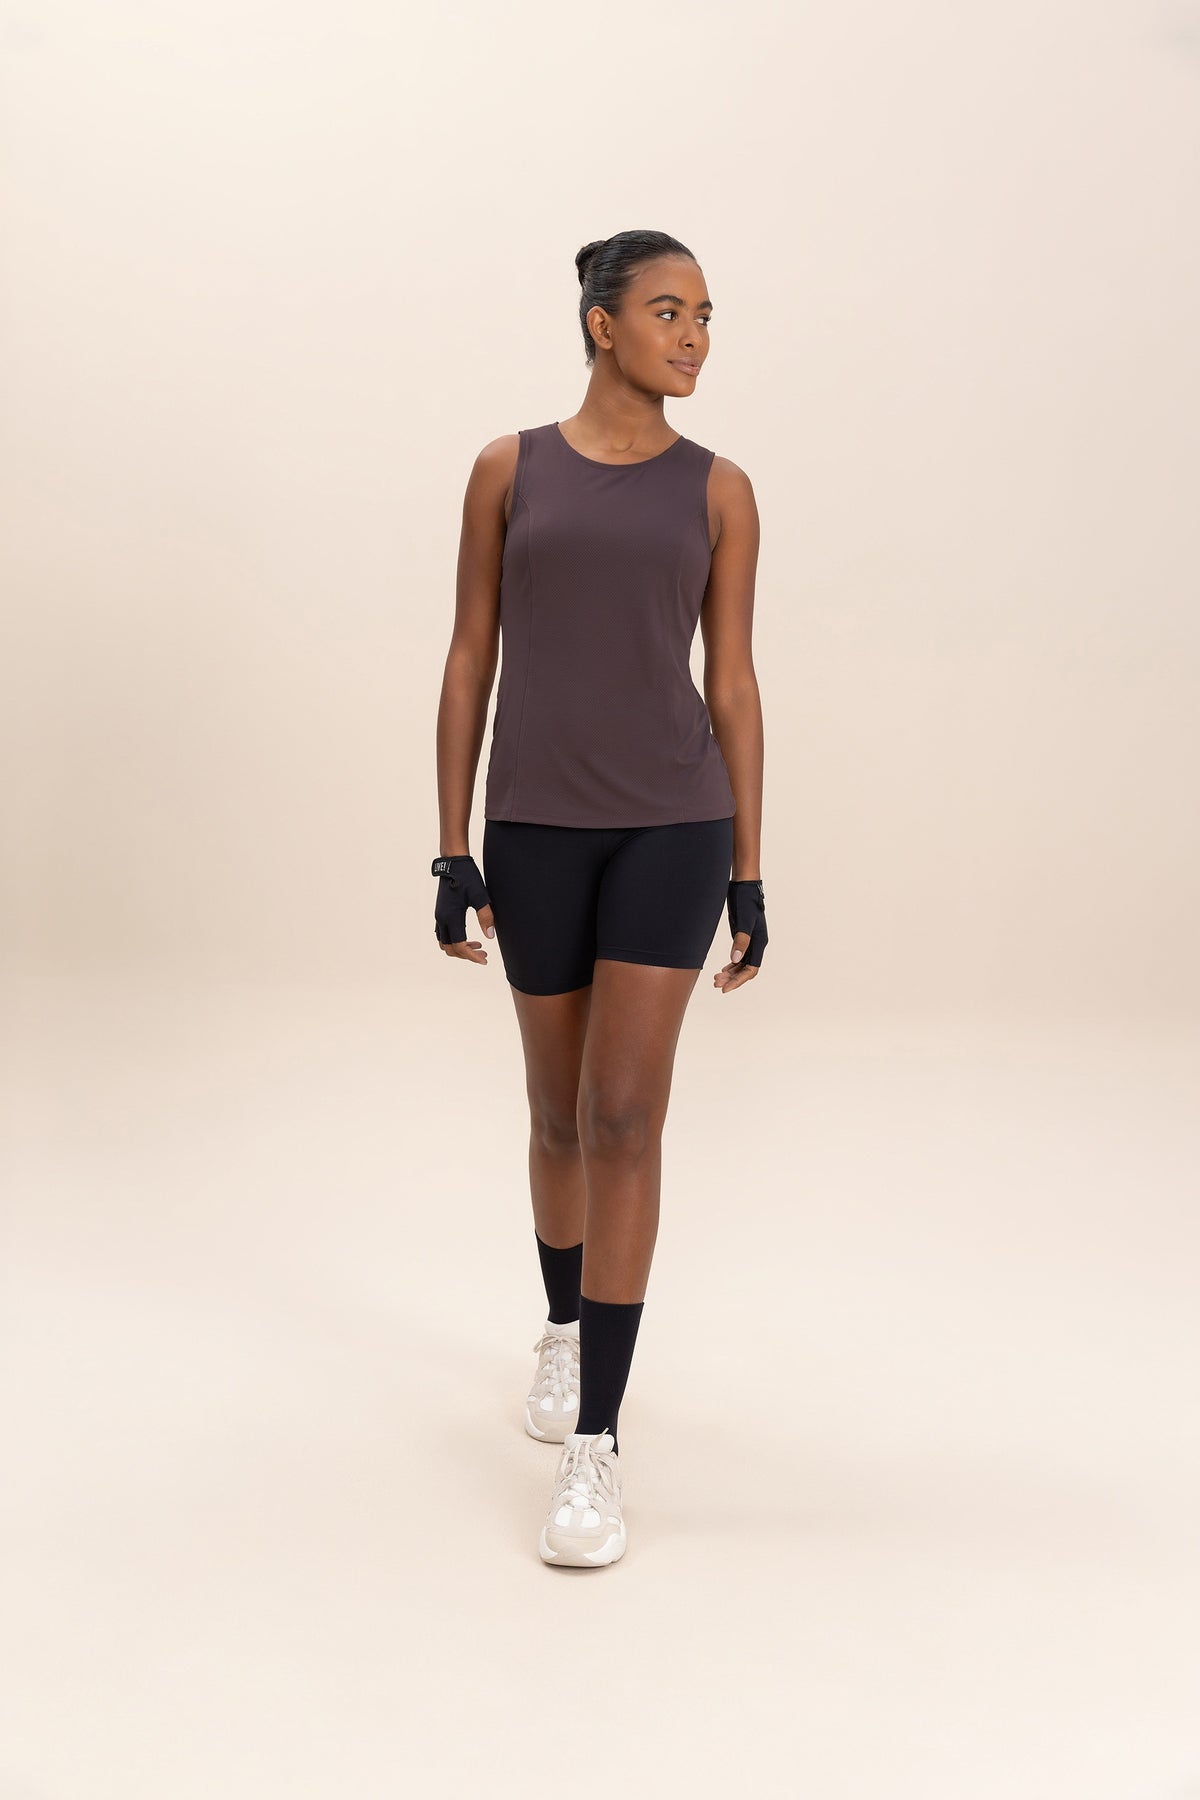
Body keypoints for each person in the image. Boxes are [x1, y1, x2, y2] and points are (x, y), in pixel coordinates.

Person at [431, 228, 768, 1569]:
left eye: (706, 315)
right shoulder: (507, 470)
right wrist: (448, 846)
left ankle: (597, 1446)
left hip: (675, 823)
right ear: (601, 324)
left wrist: (750, 868)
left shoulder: (721, 489)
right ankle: (564, 1328)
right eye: (669, 312)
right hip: (535, 827)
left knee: (626, 1116)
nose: (694, 337)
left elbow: (732, 678)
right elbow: (470, 655)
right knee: (558, 1115)